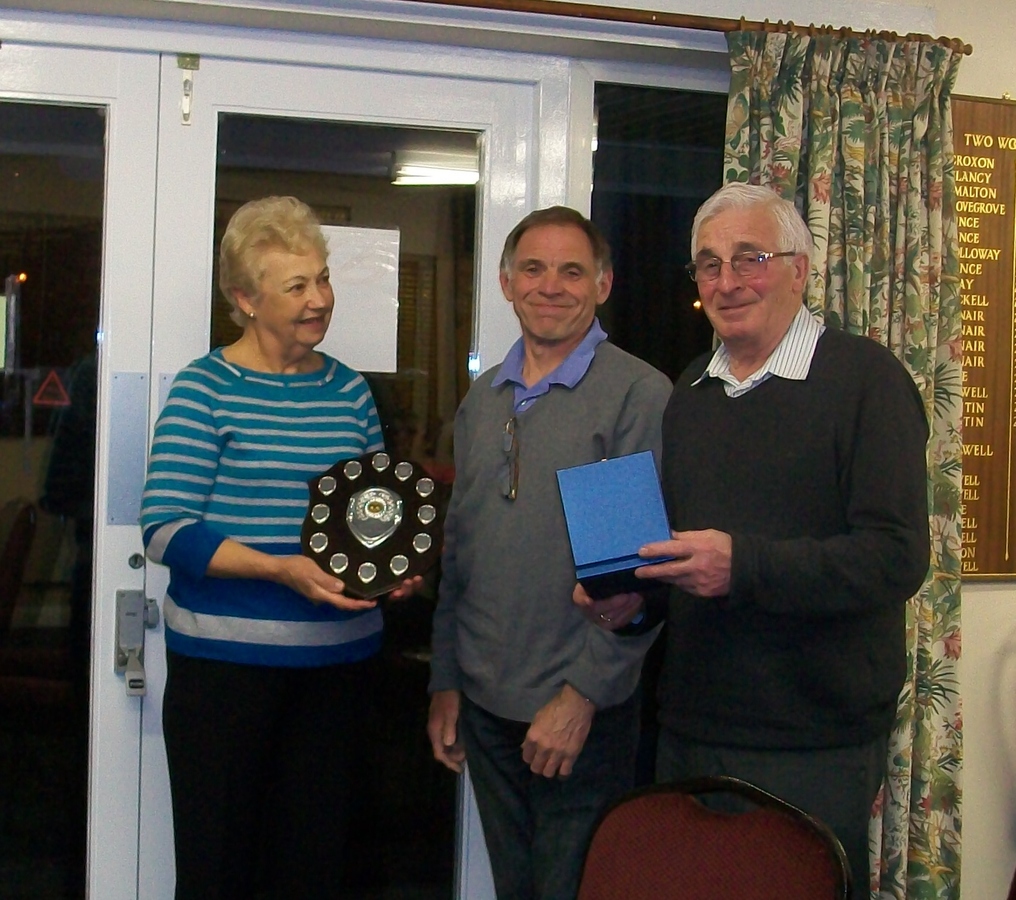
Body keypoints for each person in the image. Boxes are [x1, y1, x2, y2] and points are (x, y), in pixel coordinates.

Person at [577, 182, 930, 899]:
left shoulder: (866, 381)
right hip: (690, 726)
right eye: (708, 264)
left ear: (799, 269)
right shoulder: (691, 395)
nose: (727, 281)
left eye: (750, 258)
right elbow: (686, 563)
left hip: (815, 740)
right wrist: (633, 607)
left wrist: (745, 566)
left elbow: (896, 556)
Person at [140, 195, 418, 900]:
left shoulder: (351, 391)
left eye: (321, 279)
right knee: (220, 872)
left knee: (318, 872)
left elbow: (372, 519)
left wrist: (391, 571)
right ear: (244, 298)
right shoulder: (205, 390)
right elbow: (164, 526)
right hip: (224, 677)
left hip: (339, 671)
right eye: (296, 286)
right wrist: (279, 570)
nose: (319, 300)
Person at [427, 206, 672, 900]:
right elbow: (461, 554)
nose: (551, 286)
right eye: (533, 269)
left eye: (572, 271)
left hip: (574, 715)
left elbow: (631, 583)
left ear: (603, 284)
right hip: (485, 702)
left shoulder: (631, 395)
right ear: (506, 282)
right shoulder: (484, 399)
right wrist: (446, 679)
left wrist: (581, 698)